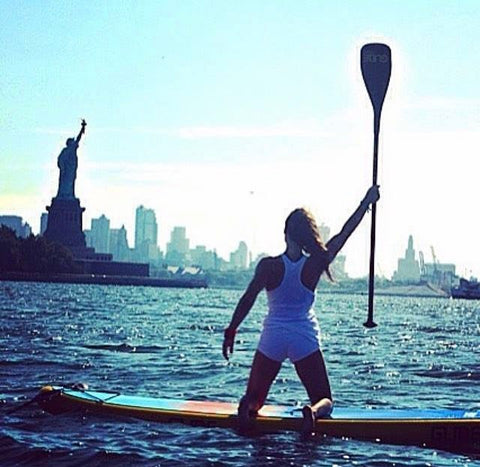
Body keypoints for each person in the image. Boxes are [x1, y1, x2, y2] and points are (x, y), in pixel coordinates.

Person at [222, 184, 380, 435]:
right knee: (324, 399)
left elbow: (248, 298)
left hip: (272, 337)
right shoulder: (316, 263)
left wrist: (231, 330)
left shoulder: (268, 266)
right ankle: (313, 412)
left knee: (255, 400)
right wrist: (366, 202)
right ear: (307, 236)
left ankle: (246, 405)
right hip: (303, 337)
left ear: (285, 233)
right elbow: (345, 233)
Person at [57, 119, 86, 199]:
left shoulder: (70, 149)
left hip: (71, 170)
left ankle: (68, 195)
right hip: (67, 171)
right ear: (69, 143)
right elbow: (60, 160)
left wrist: (82, 128)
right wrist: (63, 167)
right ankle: (65, 195)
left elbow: (78, 138)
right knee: (66, 183)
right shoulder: (67, 150)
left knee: (70, 183)